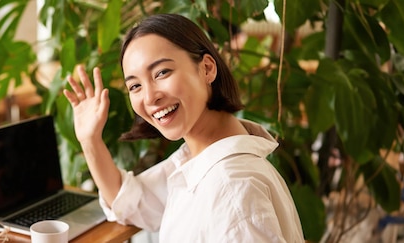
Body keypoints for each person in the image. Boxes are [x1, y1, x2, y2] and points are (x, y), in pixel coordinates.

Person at [63, 13, 304, 242]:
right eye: (135, 86)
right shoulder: (199, 158)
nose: (149, 98)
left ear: (207, 68)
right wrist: (90, 139)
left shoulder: (232, 187)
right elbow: (129, 203)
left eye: (161, 72)